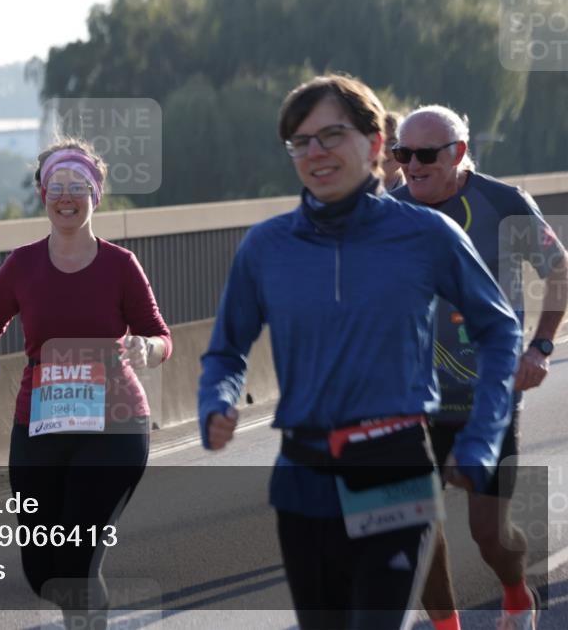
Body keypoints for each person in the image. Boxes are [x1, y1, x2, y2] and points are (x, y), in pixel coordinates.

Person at [198, 74, 522, 630]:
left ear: (374, 145)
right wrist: (216, 401)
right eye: (301, 142)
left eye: (332, 135)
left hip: (392, 463)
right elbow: (227, 350)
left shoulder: (428, 234)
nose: (316, 152)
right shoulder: (266, 246)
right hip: (302, 475)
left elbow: (500, 331)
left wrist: (482, 436)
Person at [0, 138, 171, 628]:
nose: (66, 196)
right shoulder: (22, 264)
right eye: (57, 186)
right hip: (39, 427)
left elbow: (160, 335)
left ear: (96, 194)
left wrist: (148, 349)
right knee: (42, 573)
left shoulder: (121, 265)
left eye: (78, 186)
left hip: (116, 427)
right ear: (42, 193)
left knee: (75, 564)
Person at [391, 105, 567, 630]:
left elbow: (558, 273)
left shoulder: (503, 203)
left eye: (425, 155)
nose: (412, 166)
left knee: (490, 536)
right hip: (411, 402)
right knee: (413, 528)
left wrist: (539, 347)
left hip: (486, 398)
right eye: (403, 155)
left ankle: (516, 592)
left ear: (459, 153)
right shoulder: (388, 213)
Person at [383, 110, 406, 191]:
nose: (383, 149)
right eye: (378, 141)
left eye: (392, 142)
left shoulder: (418, 194)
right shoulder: (348, 191)